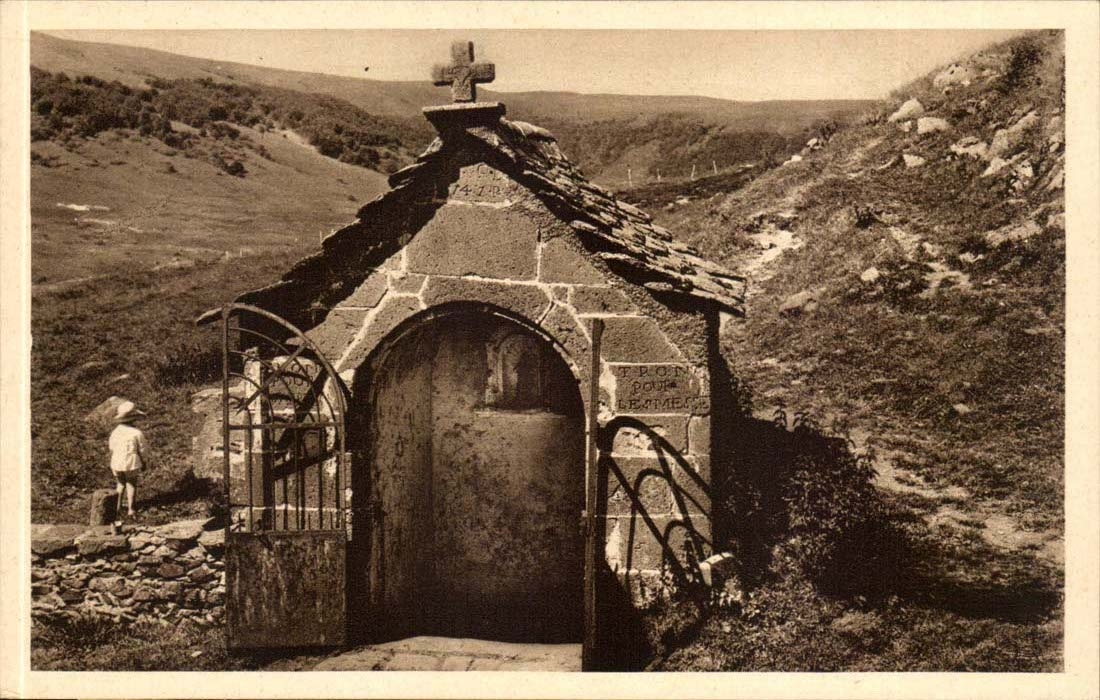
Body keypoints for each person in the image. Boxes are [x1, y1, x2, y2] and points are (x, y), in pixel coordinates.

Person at [108, 400, 149, 520]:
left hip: (117, 461)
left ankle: (117, 508)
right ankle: (131, 509)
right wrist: (144, 461)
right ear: (133, 419)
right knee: (131, 483)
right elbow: (143, 449)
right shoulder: (136, 433)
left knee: (120, 484)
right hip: (131, 462)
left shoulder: (115, 432)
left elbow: (111, 447)